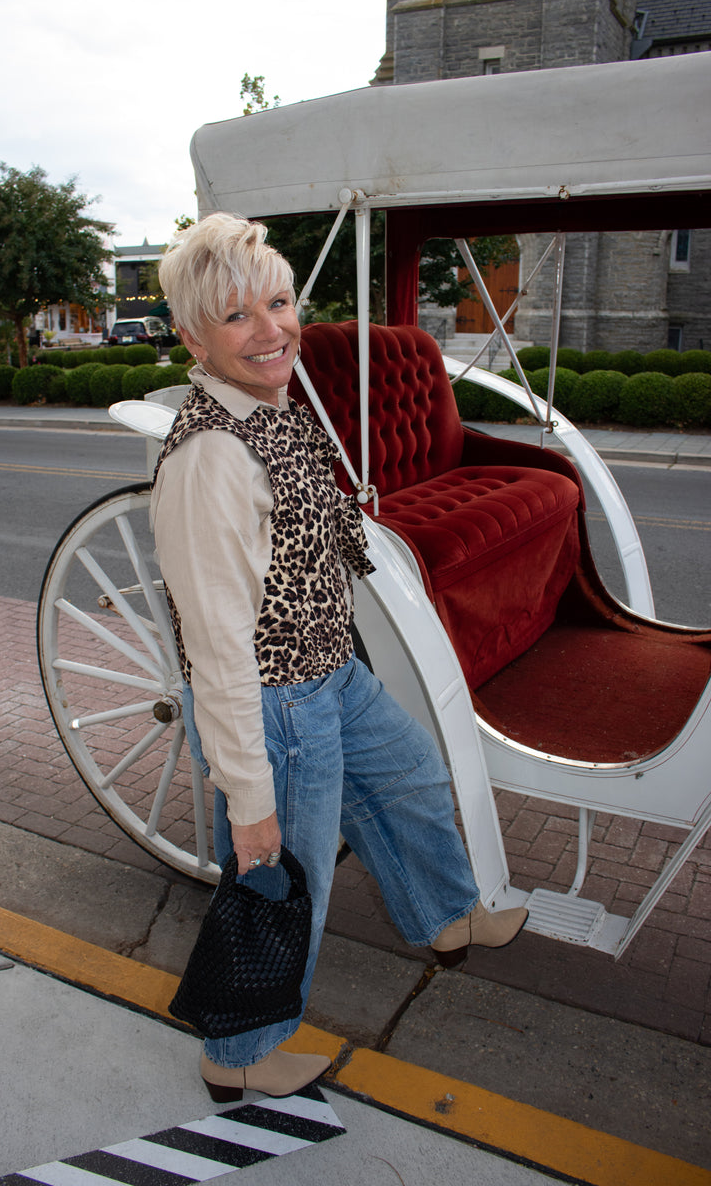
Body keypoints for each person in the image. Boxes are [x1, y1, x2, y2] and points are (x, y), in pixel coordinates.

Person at [151, 213, 527, 1103]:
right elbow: (216, 650)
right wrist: (249, 800)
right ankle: (238, 1051)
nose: (272, 330)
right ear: (192, 336)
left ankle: (446, 915)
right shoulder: (210, 457)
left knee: (412, 777)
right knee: (285, 877)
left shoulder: (274, 407)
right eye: (238, 317)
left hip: (331, 669)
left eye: (278, 303)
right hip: (272, 702)